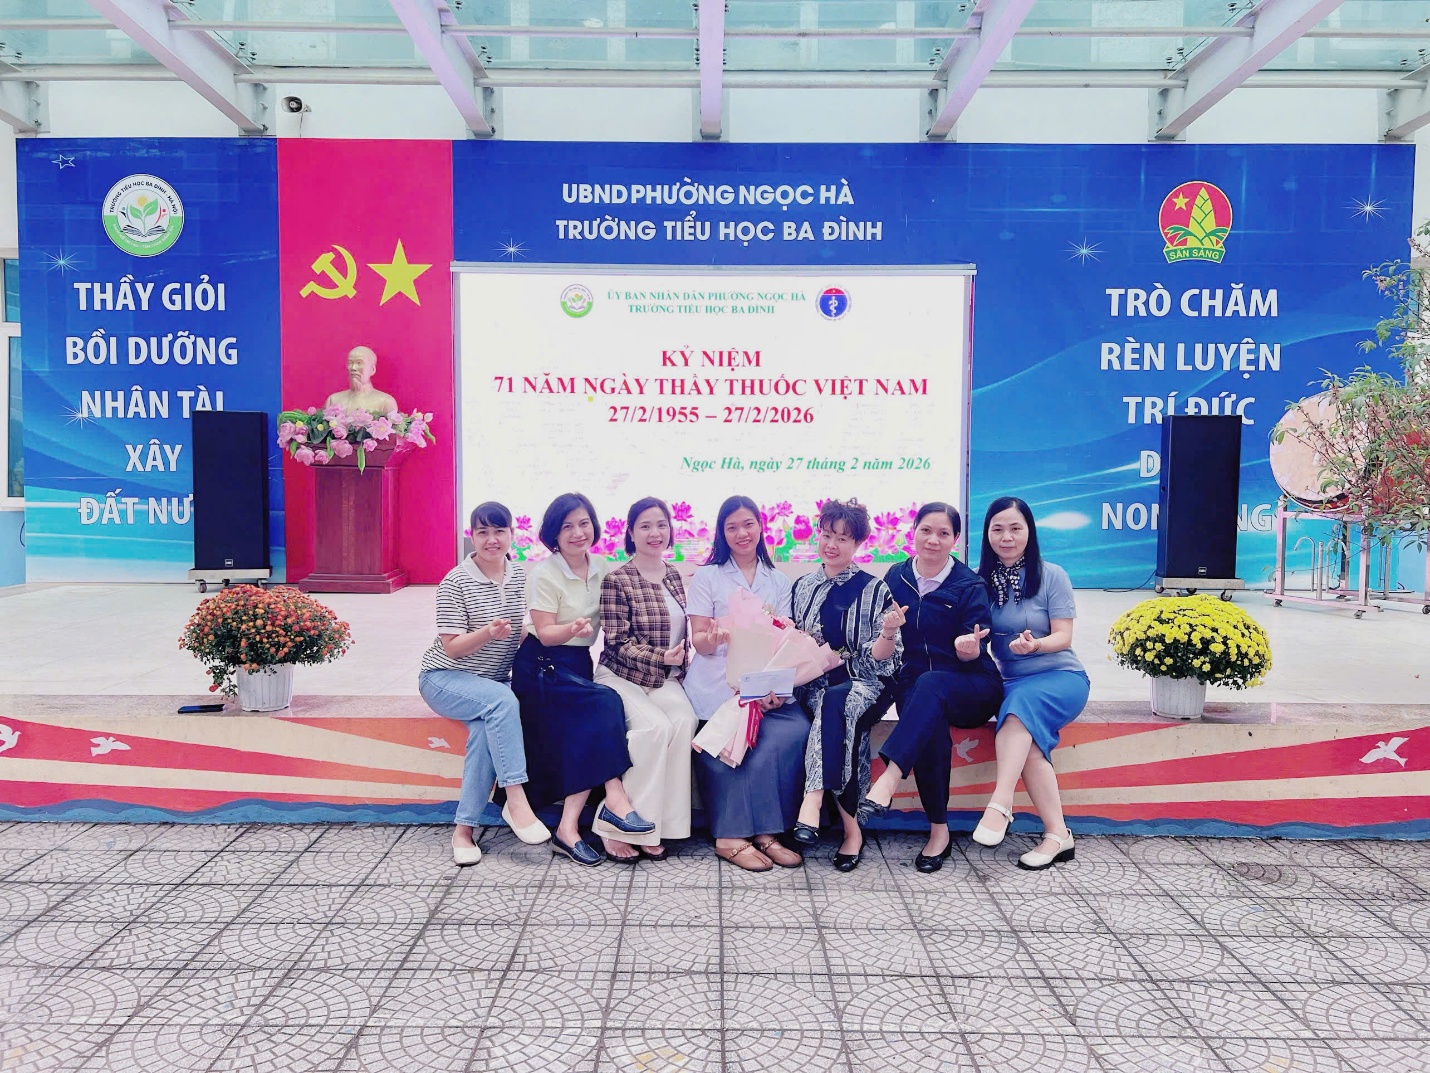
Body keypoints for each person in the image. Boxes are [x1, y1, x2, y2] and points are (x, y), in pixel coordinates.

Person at [855, 502, 1004, 873]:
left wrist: (967, 649)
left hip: (971, 684)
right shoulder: (897, 576)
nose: (933, 540)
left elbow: (978, 644)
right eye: (926, 530)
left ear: (955, 539)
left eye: (943, 533)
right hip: (917, 685)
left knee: (932, 687)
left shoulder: (969, 585)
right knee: (928, 714)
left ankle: (889, 777)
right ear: (914, 532)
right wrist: (888, 629)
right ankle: (940, 831)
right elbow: (882, 635)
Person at [511, 492, 655, 866]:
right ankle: (616, 798)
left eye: (584, 523)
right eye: (567, 526)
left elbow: (626, 601)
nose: (578, 533)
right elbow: (545, 633)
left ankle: (568, 828)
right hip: (541, 667)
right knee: (604, 702)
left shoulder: (602, 566)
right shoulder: (544, 573)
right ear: (553, 535)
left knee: (589, 722)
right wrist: (571, 628)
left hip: (575, 665)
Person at [417, 502, 551, 867]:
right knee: (502, 701)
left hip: (489, 685)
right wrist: (487, 634)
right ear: (471, 536)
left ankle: (463, 831)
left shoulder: (521, 576)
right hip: (444, 679)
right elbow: (452, 646)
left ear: (512, 534)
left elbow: (527, 628)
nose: (492, 539)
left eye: (499, 531)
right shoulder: (455, 582)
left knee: (483, 734)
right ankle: (516, 800)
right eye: (483, 532)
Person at [687, 495, 809, 872]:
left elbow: (784, 640)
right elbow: (698, 640)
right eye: (732, 527)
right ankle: (729, 836)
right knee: (730, 735)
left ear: (760, 526)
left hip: (765, 684)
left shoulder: (778, 580)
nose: (742, 533)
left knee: (792, 731)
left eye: (748, 524)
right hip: (718, 683)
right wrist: (714, 638)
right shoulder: (707, 577)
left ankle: (767, 832)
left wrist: (775, 690)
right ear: (721, 533)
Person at [971, 496, 1090, 871]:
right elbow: (974, 637)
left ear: (1029, 532)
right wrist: (968, 644)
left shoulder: (1052, 575)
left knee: (1019, 710)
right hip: (1013, 683)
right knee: (1031, 747)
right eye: (998, 529)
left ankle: (1000, 803)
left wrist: (1035, 645)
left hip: (1061, 677)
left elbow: (1064, 636)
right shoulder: (978, 581)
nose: (1006, 537)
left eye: (1015, 528)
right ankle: (1058, 835)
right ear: (987, 534)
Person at [790, 499, 903, 872]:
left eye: (842, 538)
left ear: (858, 543)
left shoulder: (874, 589)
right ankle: (852, 831)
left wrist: (888, 632)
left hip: (865, 683)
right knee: (835, 716)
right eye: (827, 535)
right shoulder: (803, 586)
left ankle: (813, 800)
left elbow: (884, 660)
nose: (832, 545)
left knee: (837, 704)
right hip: (813, 684)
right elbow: (792, 643)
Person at [594, 497, 700, 861]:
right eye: (645, 526)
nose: (655, 533)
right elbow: (616, 641)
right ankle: (614, 825)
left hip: (664, 678)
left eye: (661, 525)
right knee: (655, 728)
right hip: (621, 675)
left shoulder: (675, 575)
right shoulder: (617, 580)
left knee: (684, 721)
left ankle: (659, 826)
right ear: (630, 533)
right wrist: (660, 657)